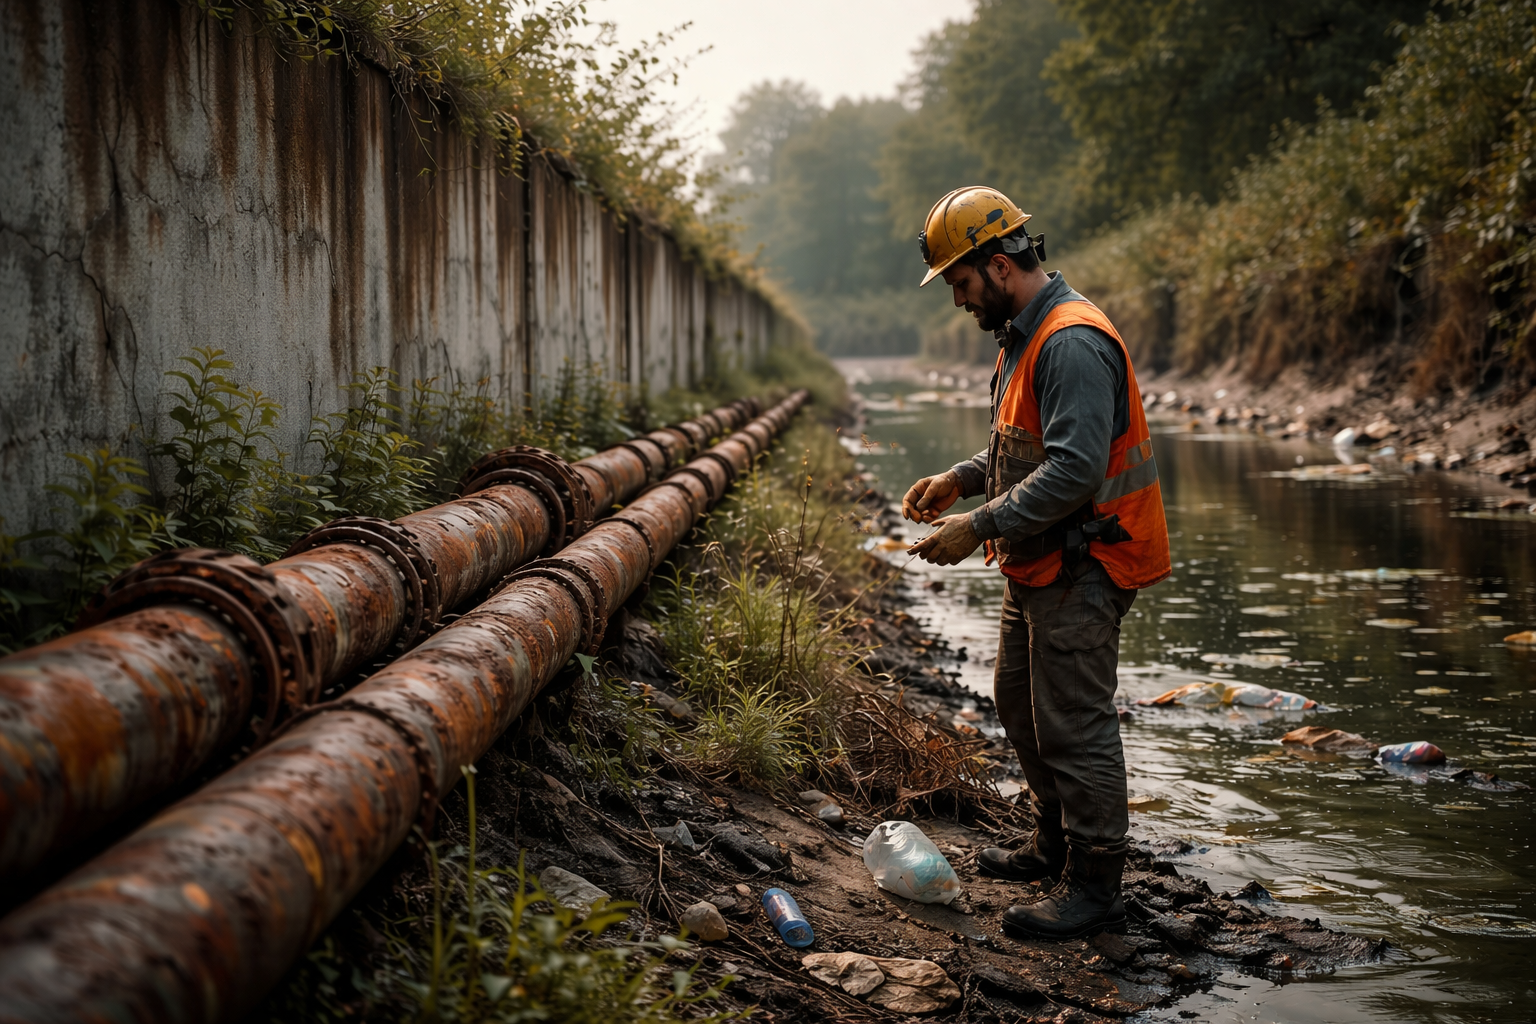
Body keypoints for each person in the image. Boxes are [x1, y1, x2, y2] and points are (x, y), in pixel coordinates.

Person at [901, 186, 1171, 940]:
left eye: (961, 282)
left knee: (1075, 724)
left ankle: (1096, 886)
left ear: (998, 265)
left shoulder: (1071, 342)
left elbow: (1076, 471)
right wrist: (962, 477)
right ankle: (1053, 844)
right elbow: (1024, 447)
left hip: (1088, 561)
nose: (959, 300)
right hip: (1041, 558)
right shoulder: (1024, 334)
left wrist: (975, 526)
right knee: (1019, 704)